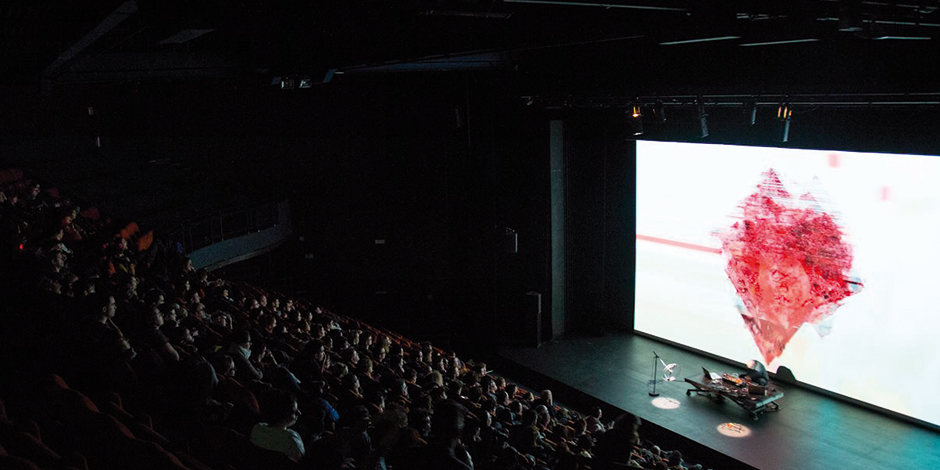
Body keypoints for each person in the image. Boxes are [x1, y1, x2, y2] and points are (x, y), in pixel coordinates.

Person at [250, 389, 305, 462]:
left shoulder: (257, 428)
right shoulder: (292, 441)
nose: (299, 413)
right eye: (294, 412)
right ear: (283, 414)